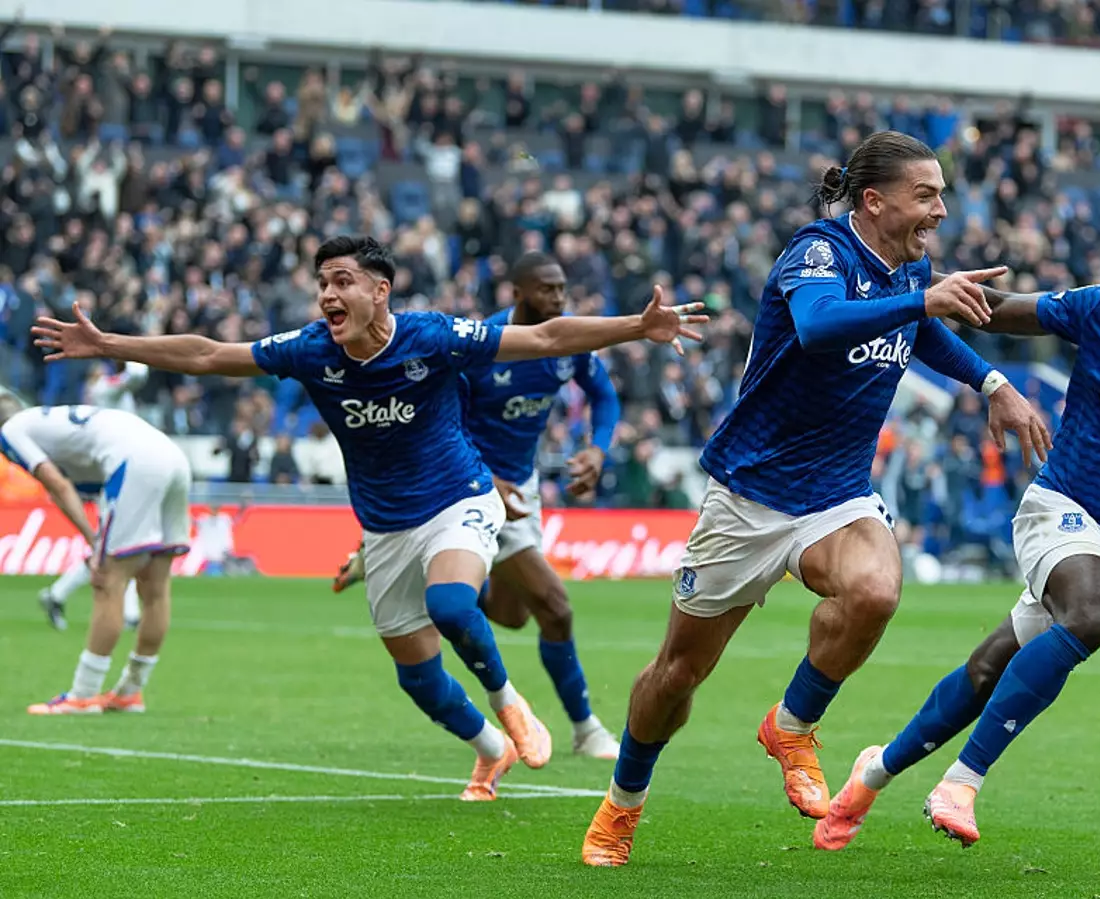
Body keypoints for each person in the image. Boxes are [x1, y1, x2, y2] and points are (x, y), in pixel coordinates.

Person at [32, 235, 706, 802]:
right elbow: (209, 354)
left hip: (460, 498)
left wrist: (637, 326)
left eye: (343, 281)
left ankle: (510, 702)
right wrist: (110, 344)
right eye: (322, 283)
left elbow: (548, 336)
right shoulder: (310, 351)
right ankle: (490, 747)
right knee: (417, 676)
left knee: (452, 604)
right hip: (385, 525)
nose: (329, 294)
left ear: (381, 291)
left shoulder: (431, 335)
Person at [581, 131, 1051, 867]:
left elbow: (922, 331)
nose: (940, 209)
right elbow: (820, 326)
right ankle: (622, 803)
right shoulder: (818, 252)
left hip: (835, 495)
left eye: (941, 194)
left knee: (875, 591)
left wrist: (992, 382)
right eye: (926, 195)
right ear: (875, 201)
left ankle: (792, 725)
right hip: (750, 495)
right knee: (677, 674)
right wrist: (922, 298)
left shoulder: (907, 269)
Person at [813, 216, 1100, 851]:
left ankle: (871, 775)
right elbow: (999, 309)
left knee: (988, 668)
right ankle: (961, 783)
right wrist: (913, 287)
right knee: (1088, 615)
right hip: (1061, 505)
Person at [334, 252, 624, 760]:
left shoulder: (564, 345)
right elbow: (440, 420)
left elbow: (603, 394)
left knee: (512, 615)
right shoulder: (481, 345)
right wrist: (487, 476)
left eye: (562, 288)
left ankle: (427, 572)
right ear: (517, 293)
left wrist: (598, 448)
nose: (559, 298)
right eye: (547, 289)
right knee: (555, 607)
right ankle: (586, 728)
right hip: (466, 487)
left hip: (522, 488)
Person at [0, 398, 192, 715]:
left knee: (107, 581)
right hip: (173, 458)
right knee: (155, 587)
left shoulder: (11, 431)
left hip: (136, 463)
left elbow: (59, 486)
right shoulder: (45, 421)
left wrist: (94, 541)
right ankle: (130, 691)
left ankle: (83, 694)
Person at [38, 360, 149, 631]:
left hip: (117, 471)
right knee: (123, 543)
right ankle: (130, 614)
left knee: (116, 545)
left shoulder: (105, 394)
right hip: (114, 475)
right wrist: (131, 352)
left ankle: (57, 594)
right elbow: (137, 374)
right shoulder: (105, 390)